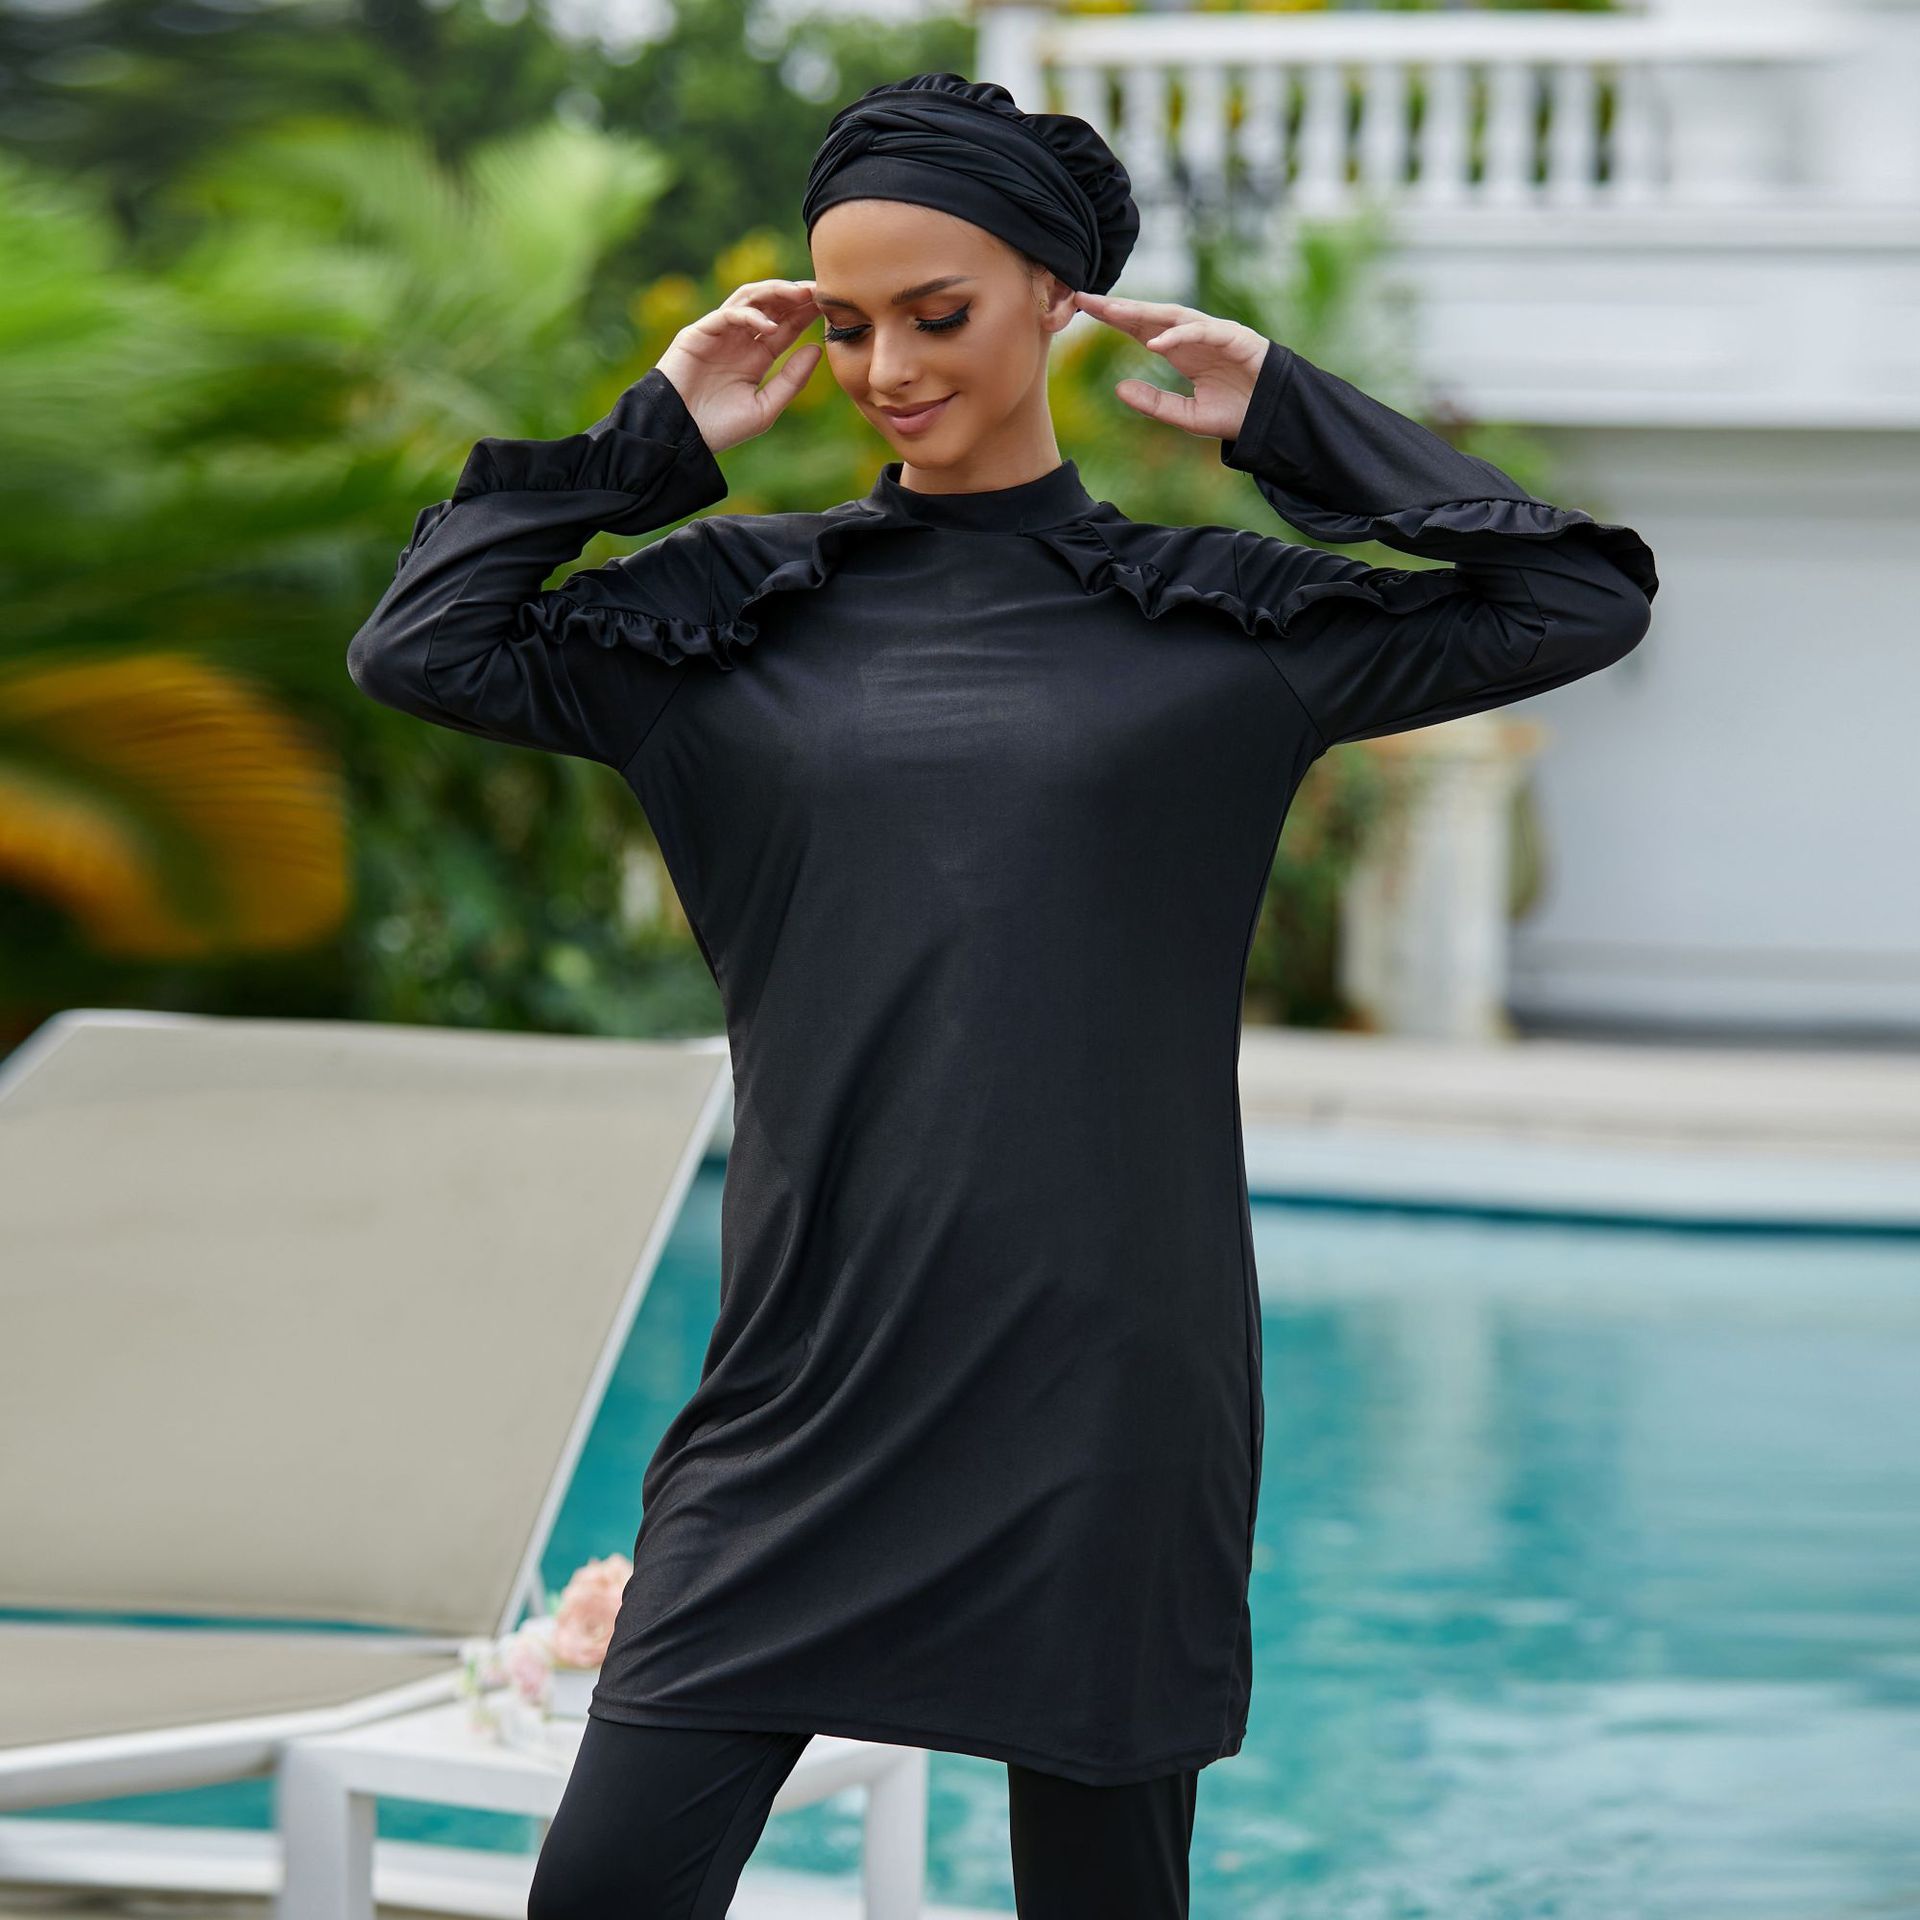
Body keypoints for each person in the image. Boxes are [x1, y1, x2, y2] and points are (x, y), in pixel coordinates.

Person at [347, 68, 1658, 1920]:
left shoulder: (1215, 629)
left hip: (1104, 1391)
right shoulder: (728, 621)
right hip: (804, 1389)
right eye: (849, 322)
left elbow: (1575, 598)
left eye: (938, 313)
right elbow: (421, 646)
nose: (887, 367)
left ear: (1056, 297)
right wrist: (654, 438)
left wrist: (1288, 410)